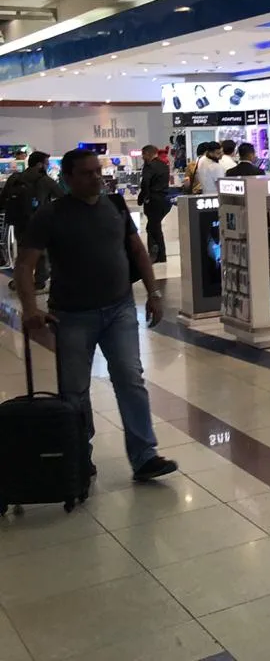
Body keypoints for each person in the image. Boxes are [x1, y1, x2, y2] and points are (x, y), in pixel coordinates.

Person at [15, 149, 178, 483]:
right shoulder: (51, 215)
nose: (96, 178)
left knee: (130, 380)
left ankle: (144, 455)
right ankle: (78, 455)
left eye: (97, 171)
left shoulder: (115, 205)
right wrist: (30, 309)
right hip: (72, 315)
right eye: (87, 173)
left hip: (119, 309)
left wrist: (153, 293)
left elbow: (137, 251)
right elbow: (24, 264)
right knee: (74, 390)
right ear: (68, 178)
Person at [2, 151, 61, 288]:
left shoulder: (15, 178)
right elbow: (62, 196)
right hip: (38, 222)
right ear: (40, 165)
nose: (47, 166)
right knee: (40, 253)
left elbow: (3, 197)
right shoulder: (45, 180)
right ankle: (39, 282)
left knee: (22, 252)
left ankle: (19, 281)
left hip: (19, 221)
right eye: (46, 164)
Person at [137, 145, 171, 263]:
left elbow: (145, 182)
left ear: (148, 153)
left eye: (143, 154)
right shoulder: (164, 165)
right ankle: (160, 255)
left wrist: (143, 198)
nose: (142, 157)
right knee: (154, 226)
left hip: (153, 200)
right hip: (163, 200)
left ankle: (156, 254)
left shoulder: (149, 166)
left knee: (153, 228)